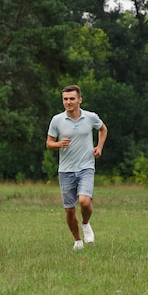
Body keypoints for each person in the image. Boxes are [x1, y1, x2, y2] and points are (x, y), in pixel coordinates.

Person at [46, 85, 108, 250]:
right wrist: (59, 144)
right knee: (69, 210)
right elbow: (49, 143)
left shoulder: (90, 117)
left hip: (86, 166)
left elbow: (103, 129)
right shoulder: (57, 120)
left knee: (84, 201)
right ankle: (77, 241)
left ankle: (86, 224)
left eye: (72, 99)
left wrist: (99, 147)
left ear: (79, 100)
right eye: (65, 99)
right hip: (65, 170)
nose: (68, 102)